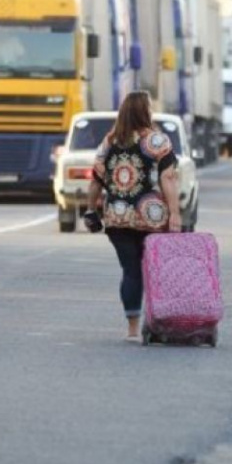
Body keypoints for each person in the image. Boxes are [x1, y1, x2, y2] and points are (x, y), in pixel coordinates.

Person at [83, 92, 181, 342]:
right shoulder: (157, 142)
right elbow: (168, 178)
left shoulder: (110, 142)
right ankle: (158, 323)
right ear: (145, 111)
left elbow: (95, 180)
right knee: (155, 271)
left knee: (131, 270)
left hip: (117, 218)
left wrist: (91, 210)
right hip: (151, 217)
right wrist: (175, 213)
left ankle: (132, 329)